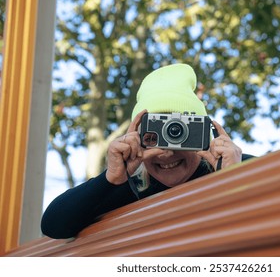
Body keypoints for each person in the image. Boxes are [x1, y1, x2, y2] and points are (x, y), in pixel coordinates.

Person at [41, 63, 253, 239]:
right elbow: (54, 225)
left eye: (179, 134)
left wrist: (233, 177)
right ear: (136, 141)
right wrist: (111, 179)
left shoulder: (235, 166)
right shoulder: (130, 188)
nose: (167, 152)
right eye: (154, 137)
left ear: (202, 137)